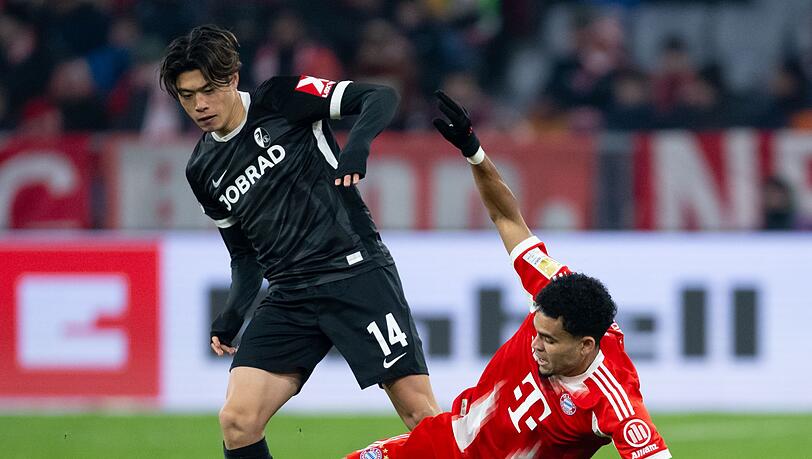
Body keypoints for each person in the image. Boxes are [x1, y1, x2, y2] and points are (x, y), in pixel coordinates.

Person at [158, 25, 440, 459]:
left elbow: (379, 96)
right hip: (290, 294)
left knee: (421, 415)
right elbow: (244, 255)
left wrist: (357, 147)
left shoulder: (281, 98)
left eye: (209, 90)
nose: (200, 105)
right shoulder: (202, 169)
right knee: (237, 420)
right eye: (187, 95)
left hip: (355, 272)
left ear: (233, 78)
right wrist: (232, 314)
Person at [347, 92, 671, 458]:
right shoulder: (553, 288)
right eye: (537, 331)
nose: (536, 345)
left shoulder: (611, 398)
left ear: (585, 346)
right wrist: (474, 151)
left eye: (549, 340)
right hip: (443, 445)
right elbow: (507, 218)